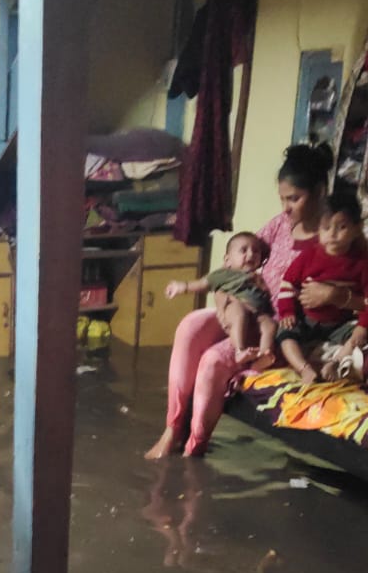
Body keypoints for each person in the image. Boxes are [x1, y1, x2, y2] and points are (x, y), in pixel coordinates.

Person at [145, 143, 366, 458]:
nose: (286, 208)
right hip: (244, 307)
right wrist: (222, 298)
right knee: (191, 324)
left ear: (319, 191)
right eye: (283, 199)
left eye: (294, 199)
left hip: (277, 327)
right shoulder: (280, 226)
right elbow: (239, 255)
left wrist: (337, 296)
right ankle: (172, 430)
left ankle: (194, 448)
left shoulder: (340, 237)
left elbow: (363, 298)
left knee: (212, 360)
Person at [276, 190, 368, 382]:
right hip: (307, 320)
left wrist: (362, 326)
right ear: (318, 229)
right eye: (326, 228)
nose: (332, 234)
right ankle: (304, 368)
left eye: (341, 227)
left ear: (357, 228)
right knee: (285, 334)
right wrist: (287, 312)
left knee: (362, 338)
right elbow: (288, 284)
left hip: (341, 325)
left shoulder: (361, 262)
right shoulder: (309, 256)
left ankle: (338, 363)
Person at [165, 230, 275, 369]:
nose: (251, 254)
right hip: (235, 305)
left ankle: (264, 356)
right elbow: (203, 284)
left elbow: (266, 296)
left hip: (257, 313)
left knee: (270, 325)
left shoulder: (258, 277)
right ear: (228, 260)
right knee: (239, 314)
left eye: (256, 251)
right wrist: (182, 287)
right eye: (243, 250)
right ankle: (239, 351)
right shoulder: (224, 274)